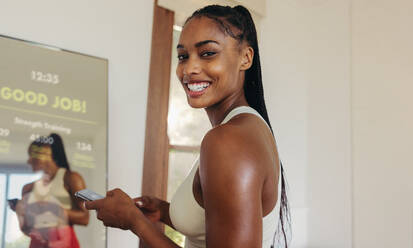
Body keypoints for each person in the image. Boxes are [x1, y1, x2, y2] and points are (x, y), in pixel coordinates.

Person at [85, 4, 290, 248]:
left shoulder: (229, 141)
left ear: (245, 58)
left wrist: (134, 223)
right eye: (183, 56)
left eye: (207, 53)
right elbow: (218, 218)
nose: (189, 69)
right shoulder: (247, 128)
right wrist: (163, 211)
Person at [12, 133, 89, 248]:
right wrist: (20, 213)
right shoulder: (28, 188)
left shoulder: (72, 178)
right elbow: (27, 230)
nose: (28, 161)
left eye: (32, 155)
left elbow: (85, 218)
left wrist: (54, 209)